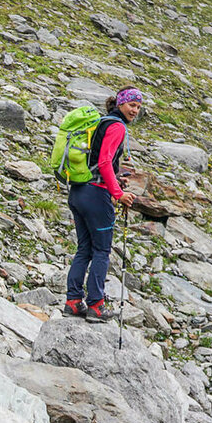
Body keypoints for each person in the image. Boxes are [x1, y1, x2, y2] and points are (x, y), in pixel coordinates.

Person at [63, 85, 140, 323]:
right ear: (120, 103)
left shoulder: (102, 122)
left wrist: (116, 178)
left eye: (138, 107)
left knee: (84, 249)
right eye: (131, 105)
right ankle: (96, 305)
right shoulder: (117, 126)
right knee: (101, 251)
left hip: (79, 192)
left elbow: (96, 161)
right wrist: (118, 193)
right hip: (96, 196)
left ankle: (73, 301)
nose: (135, 110)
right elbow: (105, 161)